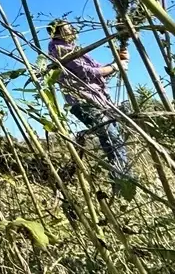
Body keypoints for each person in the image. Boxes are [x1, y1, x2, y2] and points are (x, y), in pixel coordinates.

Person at [46, 19, 130, 181]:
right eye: (68, 28)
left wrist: (118, 62)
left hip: (99, 100)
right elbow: (85, 72)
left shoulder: (74, 50)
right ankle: (123, 181)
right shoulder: (58, 48)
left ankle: (120, 182)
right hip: (84, 102)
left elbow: (98, 72)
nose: (73, 31)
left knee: (113, 144)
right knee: (114, 141)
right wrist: (114, 67)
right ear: (57, 33)